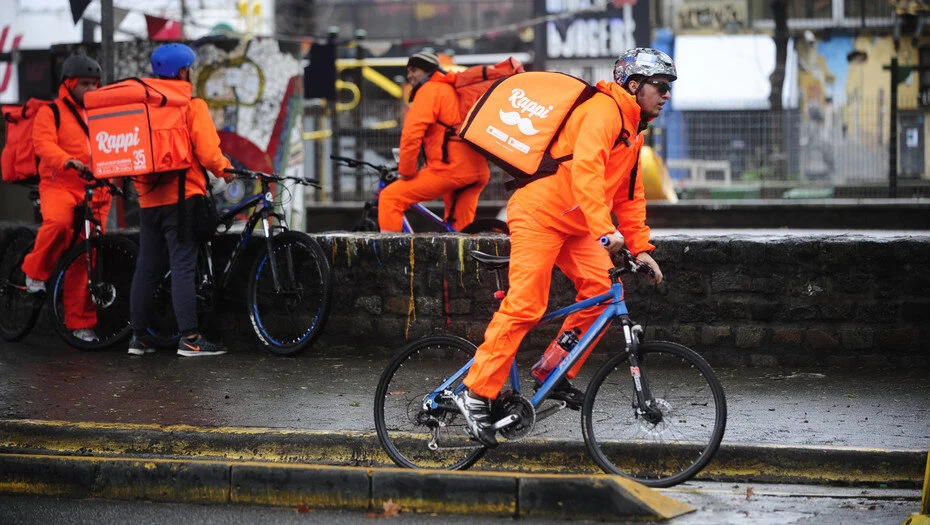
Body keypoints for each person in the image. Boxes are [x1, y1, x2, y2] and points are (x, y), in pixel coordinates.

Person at [453, 48, 674, 447]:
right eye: (660, 86)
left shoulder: (633, 131)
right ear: (635, 85)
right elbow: (586, 175)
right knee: (525, 304)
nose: (666, 94)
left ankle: (552, 373)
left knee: (599, 291)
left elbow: (629, 196)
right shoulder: (604, 112)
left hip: (575, 224)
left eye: (669, 88)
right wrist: (606, 233)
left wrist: (641, 248)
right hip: (540, 212)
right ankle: (476, 392)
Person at [127, 43, 234, 357]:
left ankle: (138, 338)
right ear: (184, 71)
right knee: (183, 265)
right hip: (183, 197)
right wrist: (225, 170)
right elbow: (207, 151)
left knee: (146, 268)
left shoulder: (142, 106)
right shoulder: (190, 104)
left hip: (148, 199)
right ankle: (190, 338)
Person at [21, 55, 109, 343]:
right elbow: (43, 144)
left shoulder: (102, 113)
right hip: (60, 184)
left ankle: (80, 323)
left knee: (87, 258)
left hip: (96, 190)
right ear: (69, 84)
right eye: (84, 84)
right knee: (58, 224)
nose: (90, 89)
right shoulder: (51, 112)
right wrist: (66, 160)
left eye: (94, 84)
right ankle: (34, 273)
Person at [377, 51, 491, 232]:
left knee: (391, 197)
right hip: (477, 170)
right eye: (408, 71)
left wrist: (406, 171)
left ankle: (391, 257)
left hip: (450, 169)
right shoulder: (454, 88)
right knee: (460, 233)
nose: (410, 75)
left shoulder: (430, 89)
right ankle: (465, 260)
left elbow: (412, 134)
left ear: (428, 71)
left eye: (414, 70)